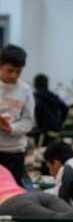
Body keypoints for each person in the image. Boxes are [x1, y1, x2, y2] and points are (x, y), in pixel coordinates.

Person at [0, 163, 73, 218]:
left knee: (55, 219)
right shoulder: (2, 167)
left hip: (8, 203)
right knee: (69, 213)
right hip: (33, 195)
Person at [0, 44, 35, 186]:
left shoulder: (25, 90)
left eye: (18, 72)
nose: (14, 75)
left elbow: (28, 120)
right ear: (1, 65)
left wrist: (12, 128)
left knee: (10, 195)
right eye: (10, 70)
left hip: (15, 152)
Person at [32, 74, 69, 148]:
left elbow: (37, 110)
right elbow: (65, 107)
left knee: (41, 153)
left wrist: (39, 125)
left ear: (34, 85)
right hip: (55, 129)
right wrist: (61, 120)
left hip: (43, 132)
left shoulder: (35, 97)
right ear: (47, 84)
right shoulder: (53, 96)